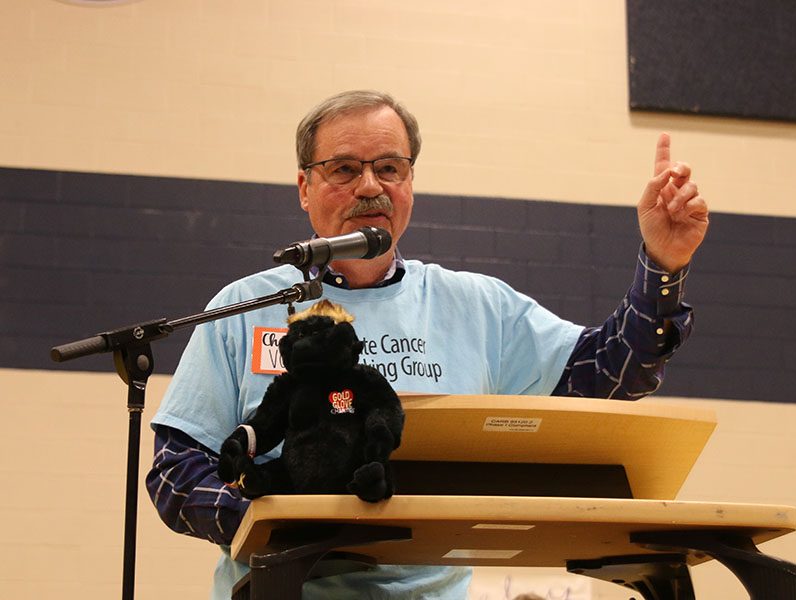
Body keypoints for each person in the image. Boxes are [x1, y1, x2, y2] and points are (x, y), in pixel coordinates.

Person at [147, 90, 709, 599]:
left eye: (389, 167)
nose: (371, 186)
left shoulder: (477, 307)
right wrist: (277, 523)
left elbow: (610, 375)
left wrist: (663, 265)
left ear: (410, 182)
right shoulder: (243, 308)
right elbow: (175, 472)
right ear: (304, 187)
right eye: (344, 168)